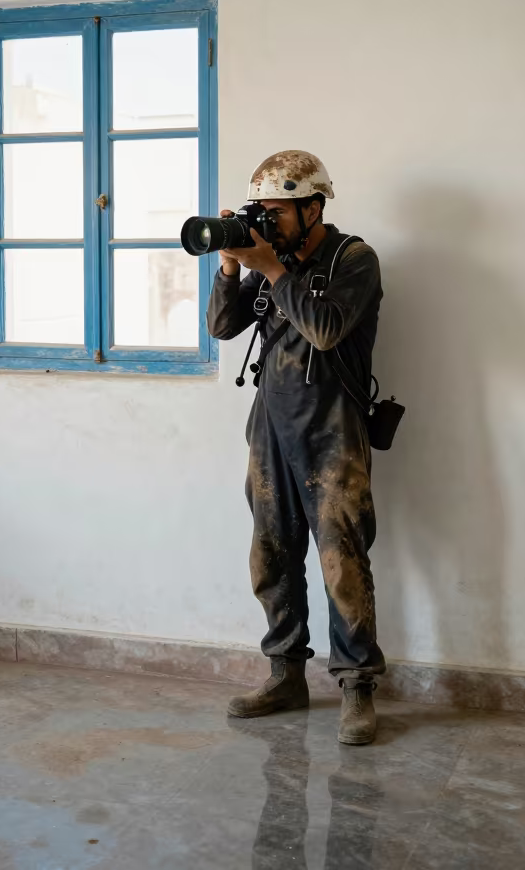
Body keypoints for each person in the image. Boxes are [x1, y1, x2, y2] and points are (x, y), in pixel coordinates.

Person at [207, 150, 386, 746]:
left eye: (277, 211)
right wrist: (234, 267)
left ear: (313, 208)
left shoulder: (352, 259)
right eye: (262, 211)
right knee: (271, 555)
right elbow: (221, 328)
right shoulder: (268, 263)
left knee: (342, 560)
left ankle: (357, 687)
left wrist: (273, 269)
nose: (268, 221)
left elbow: (327, 329)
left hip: (333, 427)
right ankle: (286, 674)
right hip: (271, 424)